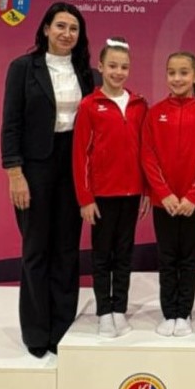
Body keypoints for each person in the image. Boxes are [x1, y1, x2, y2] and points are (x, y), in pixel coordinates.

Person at [1, 2, 99, 358]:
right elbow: (11, 124)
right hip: (35, 169)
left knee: (66, 250)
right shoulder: (23, 68)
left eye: (73, 28)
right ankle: (36, 332)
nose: (66, 33)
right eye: (60, 26)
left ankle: (61, 330)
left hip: (72, 167)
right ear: (45, 29)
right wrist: (15, 174)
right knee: (36, 249)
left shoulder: (88, 75)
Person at [72, 37, 149, 338]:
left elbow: (147, 151)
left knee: (124, 253)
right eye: (113, 66)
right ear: (101, 66)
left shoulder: (139, 105)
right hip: (102, 196)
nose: (118, 72)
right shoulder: (89, 106)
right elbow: (80, 155)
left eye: (124, 67)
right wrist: (85, 198)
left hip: (131, 194)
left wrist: (146, 190)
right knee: (103, 255)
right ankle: (104, 311)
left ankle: (120, 309)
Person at [141, 51, 195, 337]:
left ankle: (183, 313)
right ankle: (168, 312)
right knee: (167, 257)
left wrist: (192, 197)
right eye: (172, 72)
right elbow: (149, 157)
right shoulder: (155, 113)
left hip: (192, 205)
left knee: (188, 259)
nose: (177, 78)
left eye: (184, 73)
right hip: (165, 204)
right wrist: (165, 194)